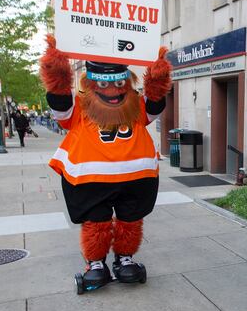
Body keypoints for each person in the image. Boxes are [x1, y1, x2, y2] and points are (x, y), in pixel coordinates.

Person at [39, 35, 171, 292]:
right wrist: (57, 71)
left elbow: (154, 105)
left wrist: (157, 79)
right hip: (91, 180)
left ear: (127, 83)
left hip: (135, 179)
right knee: (96, 222)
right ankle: (96, 263)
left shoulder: (134, 107)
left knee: (130, 221)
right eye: (104, 84)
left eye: (120, 84)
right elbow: (60, 103)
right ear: (91, 84)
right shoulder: (80, 108)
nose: (113, 92)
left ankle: (124, 258)